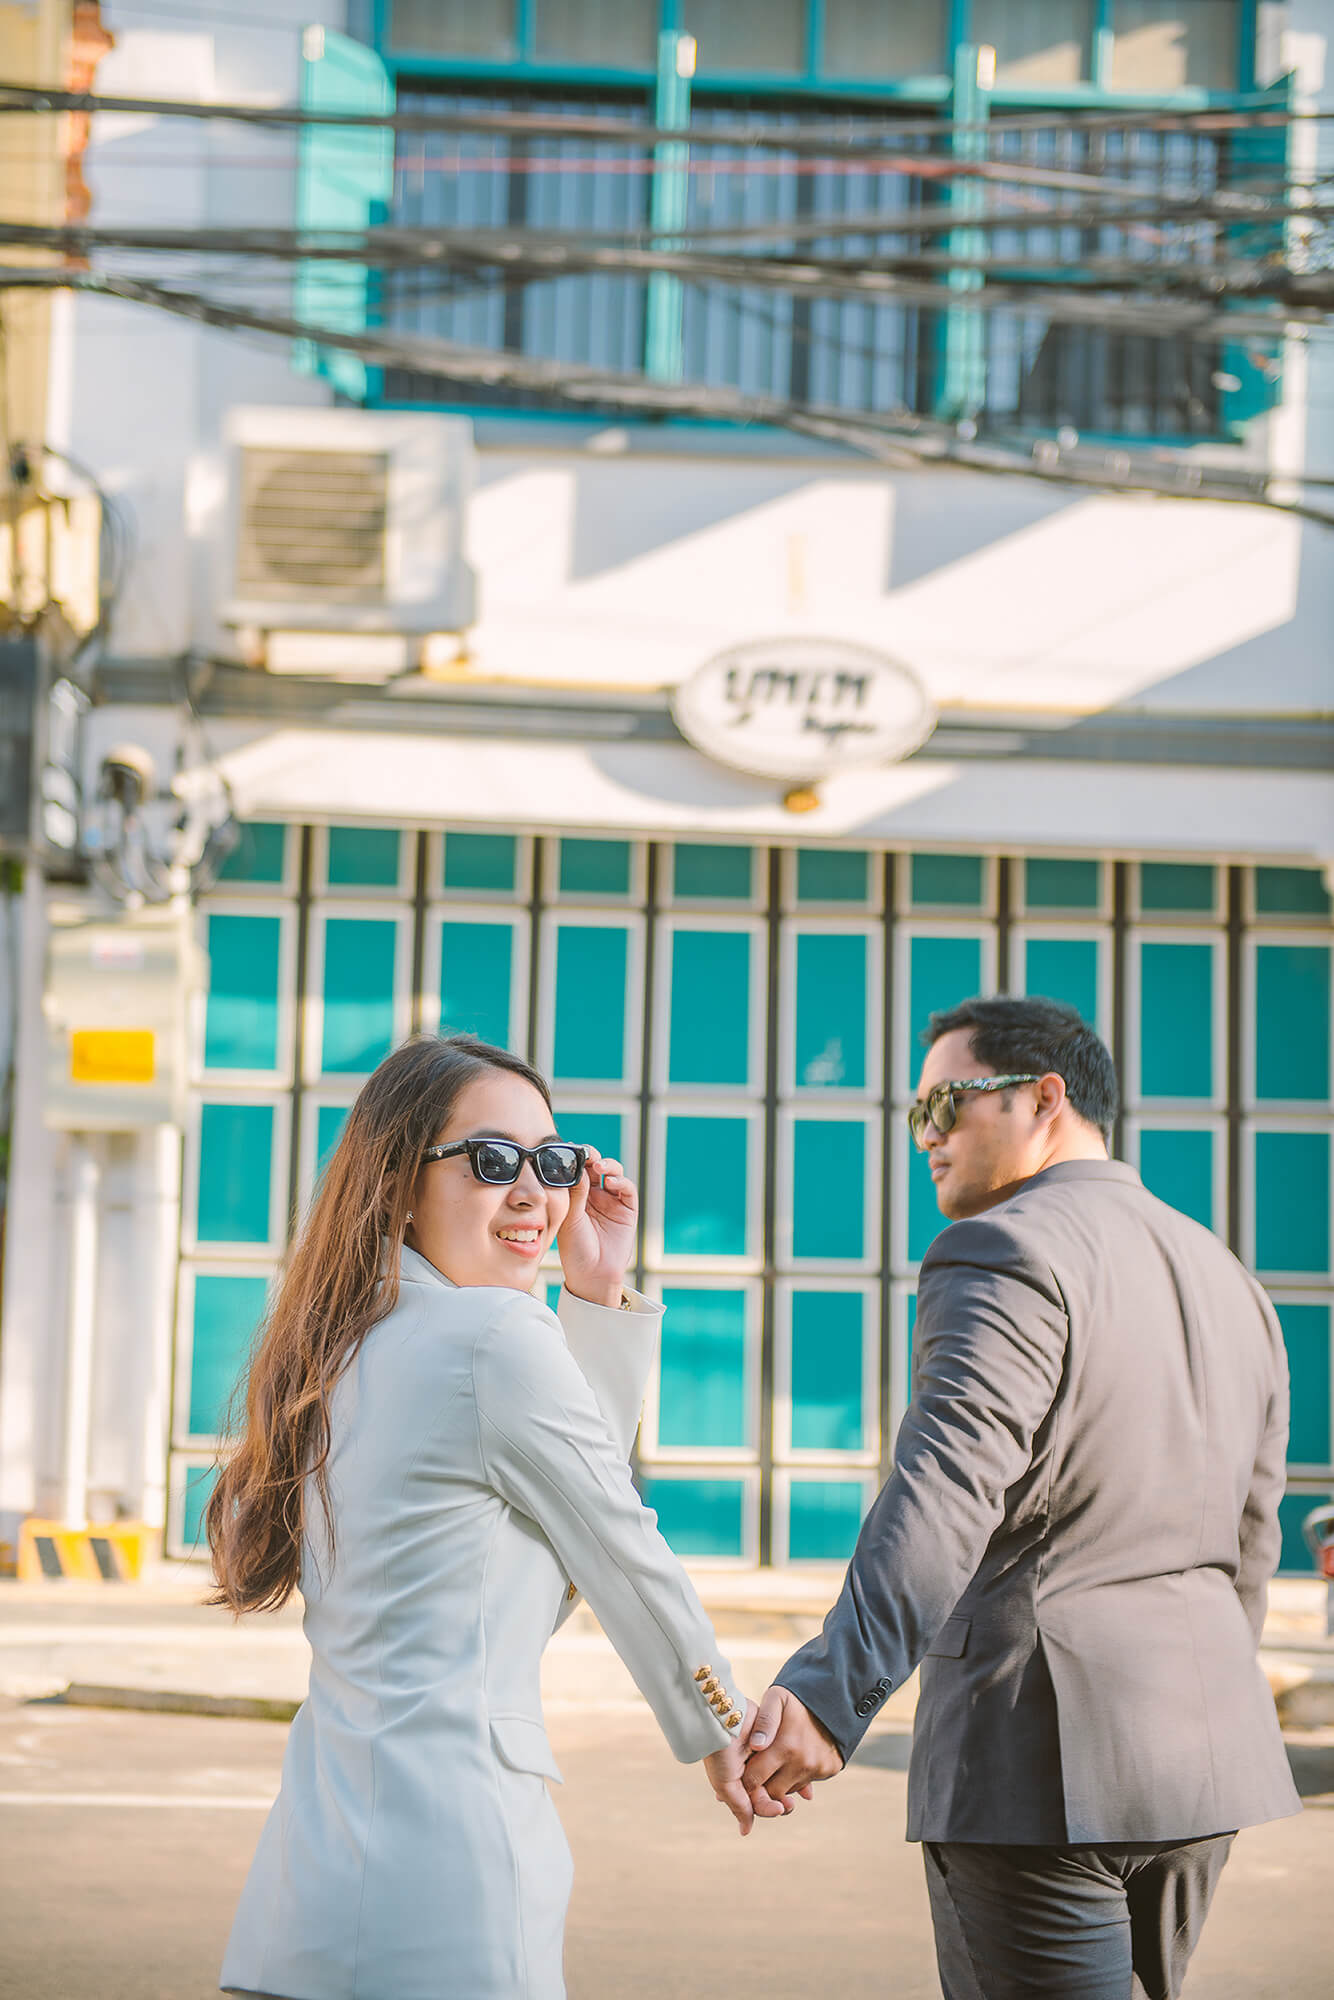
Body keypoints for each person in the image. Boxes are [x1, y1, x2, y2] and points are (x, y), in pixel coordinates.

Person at [741, 994, 1300, 2000]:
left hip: (1036, 1755)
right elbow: (1249, 1539)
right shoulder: (1229, 1277)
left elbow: (944, 1491)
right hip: (1198, 1757)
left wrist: (828, 1694)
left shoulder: (1001, 1248)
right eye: (916, 1113)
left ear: (1044, 1095)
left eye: (945, 1103)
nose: (926, 1136)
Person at [209, 1033, 776, 2000]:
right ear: (399, 1180)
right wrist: (724, 1725)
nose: (534, 1195)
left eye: (552, 1162)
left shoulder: (345, 1345)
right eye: (491, 1161)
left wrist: (595, 1294)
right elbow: (613, 1542)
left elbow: (556, 1506)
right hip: (448, 1891)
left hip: (306, 1905)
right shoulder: (490, 1338)